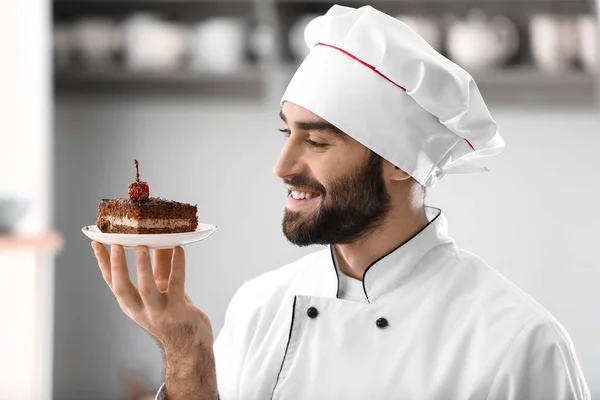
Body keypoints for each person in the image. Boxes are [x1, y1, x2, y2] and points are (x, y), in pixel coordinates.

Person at [91, 5, 590, 400]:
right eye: (287, 132)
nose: (281, 166)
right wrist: (187, 353)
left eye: (316, 141)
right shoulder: (259, 306)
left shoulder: (518, 343)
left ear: (400, 162)